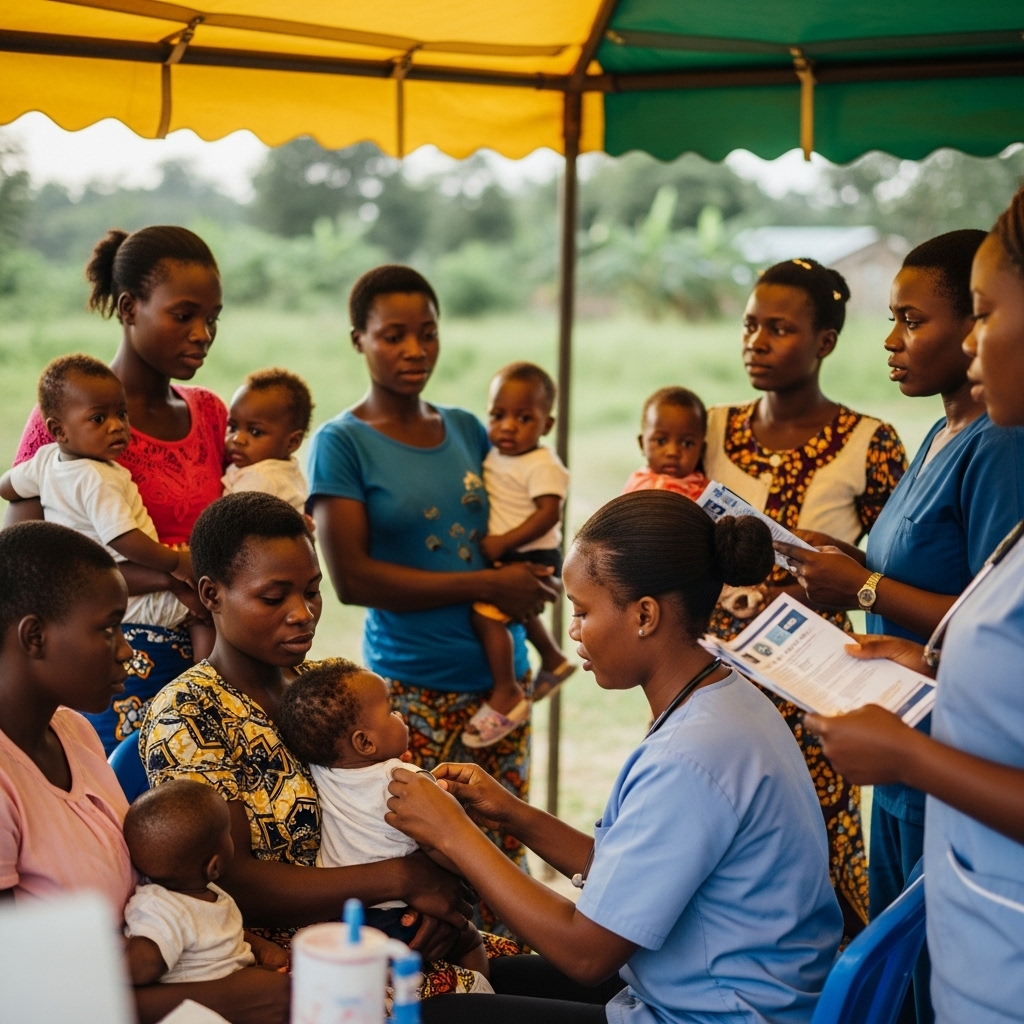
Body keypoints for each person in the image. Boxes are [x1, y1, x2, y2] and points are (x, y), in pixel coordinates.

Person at [385, 490, 844, 1024]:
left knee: (440, 1014)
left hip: (717, 1013)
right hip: (741, 989)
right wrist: (513, 814)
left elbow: (587, 953)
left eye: (582, 611)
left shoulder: (688, 757)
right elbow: (632, 873)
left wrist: (453, 834)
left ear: (645, 614)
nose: (573, 630)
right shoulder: (723, 697)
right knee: (486, 980)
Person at [776, 229, 1024, 1024]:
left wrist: (868, 585)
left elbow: (979, 617)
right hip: (919, 746)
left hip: (947, 774)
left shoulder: (998, 451)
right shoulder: (938, 432)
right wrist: (901, 635)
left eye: (916, 320)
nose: (892, 340)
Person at [140, 492, 511, 997]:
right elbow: (228, 880)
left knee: (594, 987)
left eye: (312, 591)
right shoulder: (189, 716)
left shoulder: (325, 687)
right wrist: (404, 880)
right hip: (309, 963)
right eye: (274, 598)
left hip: (409, 930)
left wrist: (437, 892)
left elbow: (399, 802)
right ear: (211, 594)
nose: (302, 613)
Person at [307, 265, 558, 930]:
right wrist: (486, 583)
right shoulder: (343, 443)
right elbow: (352, 579)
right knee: (433, 864)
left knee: (504, 852)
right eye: (393, 336)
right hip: (411, 690)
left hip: (500, 683)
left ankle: (515, 990)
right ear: (358, 338)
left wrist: (536, 573)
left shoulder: (471, 429)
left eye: (427, 333)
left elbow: (512, 525)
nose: (414, 350)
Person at [0, 521, 290, 1023]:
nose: (127, 651)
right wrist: (223, 998)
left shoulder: (73, 731)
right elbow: (14, 994)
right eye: (110, 628)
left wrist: (223, 936)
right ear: (35, 637)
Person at [703, 257, 908, 932]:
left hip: (817, 697)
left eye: (780, 329)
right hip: (708, 686)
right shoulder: (707, 431)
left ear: (825, 340)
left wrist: (846, 565)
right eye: (749, 325)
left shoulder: (871, 444)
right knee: (710, 853)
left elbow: (893, 573)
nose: (756, 342)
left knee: (818, 872)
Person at [7, 225, 227, 755]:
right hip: (107, 658)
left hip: (209, 649)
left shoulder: (213, 414)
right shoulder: (69, 418)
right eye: (184, 315)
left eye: (212, 319)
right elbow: (29, 571)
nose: (202, 333)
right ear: (129, 308)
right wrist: (173, 575)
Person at [276, 660, 490, 983]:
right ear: (364, 743)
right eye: (392, 711)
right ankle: (482, 997)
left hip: (340, 920)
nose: (401, 716)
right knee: (470, 938)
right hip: (401, 919)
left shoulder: (319, 771)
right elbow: (447, 844)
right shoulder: (406, 782)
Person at [1, 354, 213, 661]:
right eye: (99, 419)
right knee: (209, 611)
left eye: (122, 414)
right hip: (131, 594)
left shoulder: (46, 461)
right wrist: (176, 562)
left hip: (88, 584)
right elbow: (123, 539)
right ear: (59, 430)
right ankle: (204, 683)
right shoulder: (98, 478)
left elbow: (8, 487)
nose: (116, 427)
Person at [466, 362, 573, 748]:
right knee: (520, 611)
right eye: (498, 415)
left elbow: (549, 513)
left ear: (547, 425)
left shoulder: (542, 463)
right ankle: (554, 658)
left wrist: (504, 542)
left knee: (487, 615)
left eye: (523, 418)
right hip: (517, 550)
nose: (508, 426)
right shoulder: (500, 453)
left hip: (531, 551)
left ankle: (506, 690)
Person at [123, 780, 289, 984]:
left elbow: (214, 935)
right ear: (214, 866)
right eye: (228, 833)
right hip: (204, 1010)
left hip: (243, 994)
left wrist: (260, 947)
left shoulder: (205, 892)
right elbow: (138, 969)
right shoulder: (161, 908)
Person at [222, 368, 312, 513]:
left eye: (255, 432)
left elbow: (230, 526)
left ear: (292, 442)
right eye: (233, 427)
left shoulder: (261, 479)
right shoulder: (286, 470)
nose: (238, 439)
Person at [622, 386, 709, 500]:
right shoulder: (638, 487)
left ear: (701, 450)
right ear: (642, 444)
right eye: (661, 441)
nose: (672, 452)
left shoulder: (707, 491)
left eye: (687, 444)